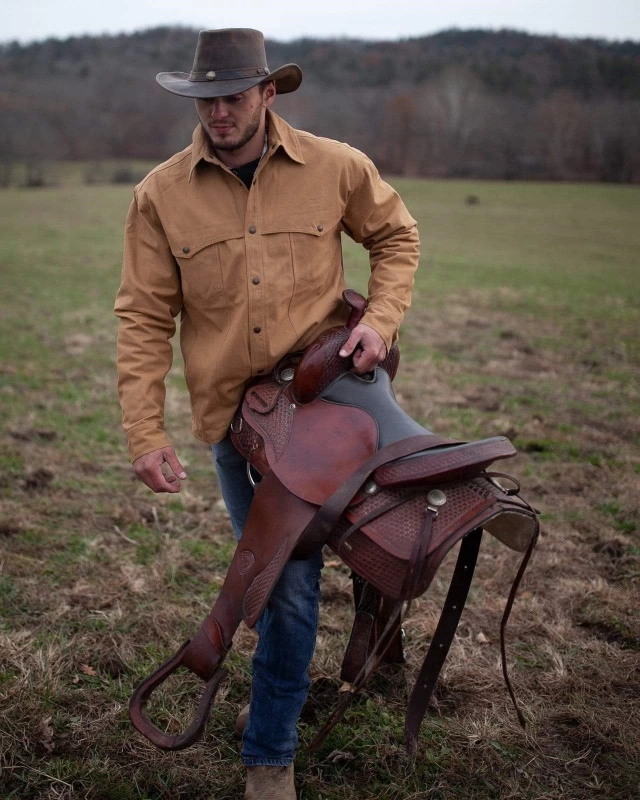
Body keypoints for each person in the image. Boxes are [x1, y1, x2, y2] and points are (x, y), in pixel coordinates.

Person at [114, 27, 419, 800]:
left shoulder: (337, 166)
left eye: (234, 96)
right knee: (285, 585)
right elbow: (144, 318)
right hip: (236, 427)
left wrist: (379, 321)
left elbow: (397, 236)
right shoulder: (159, 194)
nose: (220, 112)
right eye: (206, 98)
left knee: (399, 529)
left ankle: (382, 649)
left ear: (268, 92)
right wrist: (144, 434)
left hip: (330, 401)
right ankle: (269, 757)